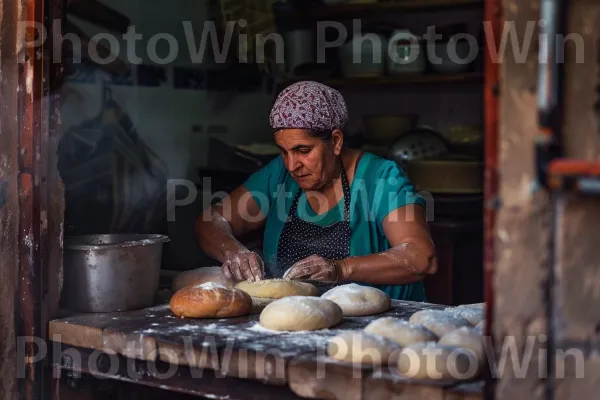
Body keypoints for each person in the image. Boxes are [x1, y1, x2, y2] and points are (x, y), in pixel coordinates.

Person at [196, 81, 437, 301]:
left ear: (336, 141)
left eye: (303, 150)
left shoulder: (381, 179)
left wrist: (340, 268)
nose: (292, 165)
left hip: (378, 327)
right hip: (298, 327)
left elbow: (420, 257)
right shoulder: (278, 174)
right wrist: (233, 251)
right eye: (284, 151)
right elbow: (210, 221)